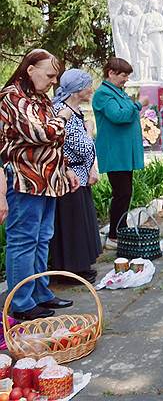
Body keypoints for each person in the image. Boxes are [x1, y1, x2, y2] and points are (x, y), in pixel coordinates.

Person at [0, 49, 78, 321]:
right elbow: (42, 133)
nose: (53, 82)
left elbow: (55, 141)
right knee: (23, 241)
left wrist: (66, 167)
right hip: (25, 179)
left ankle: (41, 293)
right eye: (49, 75)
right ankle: (21, 302)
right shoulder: (12, 97)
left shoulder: (39, 98)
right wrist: (65, 116)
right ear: (30, 69)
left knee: (42, 238)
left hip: (48, 180)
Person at [50, 69, 102, 284]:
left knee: (80, 220)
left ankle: (79, 265)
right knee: (72, 224)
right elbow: (78, 145)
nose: (91, 89)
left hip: (79, 172)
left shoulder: (73, 108)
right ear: (78, 89)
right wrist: (89, 132)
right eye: (89, 85)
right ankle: (72, 269)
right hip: (69, 174)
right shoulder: (62, 110)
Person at [93, 57, 146, 250]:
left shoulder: (118, 93)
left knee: (125, 193)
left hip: (124, 152)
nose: (126, 79)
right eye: (123, 75)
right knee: (121, 193)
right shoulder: (103, 94)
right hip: (115, 152)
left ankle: (120, 230)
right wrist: (138, 105)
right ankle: (114, 235)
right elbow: (119, 116)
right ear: (111, 73)